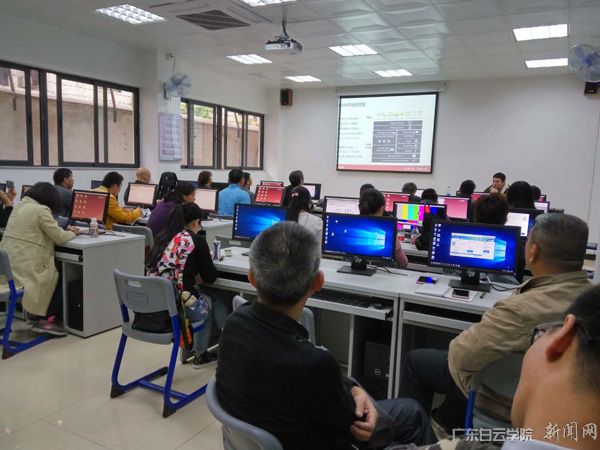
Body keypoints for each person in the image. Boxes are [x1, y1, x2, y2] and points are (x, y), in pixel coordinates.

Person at [216, 222, 435, 450]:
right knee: (413, 415)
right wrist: (366, 406)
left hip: (270, 435)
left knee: (409, 410)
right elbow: (359, 430)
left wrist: (353, 388)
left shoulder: (233, 324)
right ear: (318, 282)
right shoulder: (314, 364)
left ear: (251, 277)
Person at [399, 213, 591, 434]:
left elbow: (460, 356)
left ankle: (416, 434)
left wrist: (476, 393)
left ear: (533, 251)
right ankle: (449, 417)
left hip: (506, 398)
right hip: (561, 408)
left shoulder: (520, 309)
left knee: (417, 360)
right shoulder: (592, 301)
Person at [411, 284, 600, 450]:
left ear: (562, 339)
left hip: (483, 398)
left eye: (540, 335)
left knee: (415, 375)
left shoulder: (519, 308)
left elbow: (460, 357)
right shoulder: (584, 296)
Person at [146, 202, 225, 367]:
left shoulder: (163, 237)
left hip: (156, 305)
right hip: (178, 307)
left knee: (203, 294)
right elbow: (210, 277)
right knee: (213, 300)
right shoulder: (196, 240)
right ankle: (201, 354)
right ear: (196, 222)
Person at [0, 182, 80, 336]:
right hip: (25, 271)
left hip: (8, 271)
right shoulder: (41, 210)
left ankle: (36, 314)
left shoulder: (19, 207)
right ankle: (46, 319)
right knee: (60, 274)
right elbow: (60, 237)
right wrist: (74, 232)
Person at [359, 188, 409, 269]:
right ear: (382, 209)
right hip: (382, 274)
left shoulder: (349, 226)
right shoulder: (389, 232)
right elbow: (403, 263)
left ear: (359, 207)